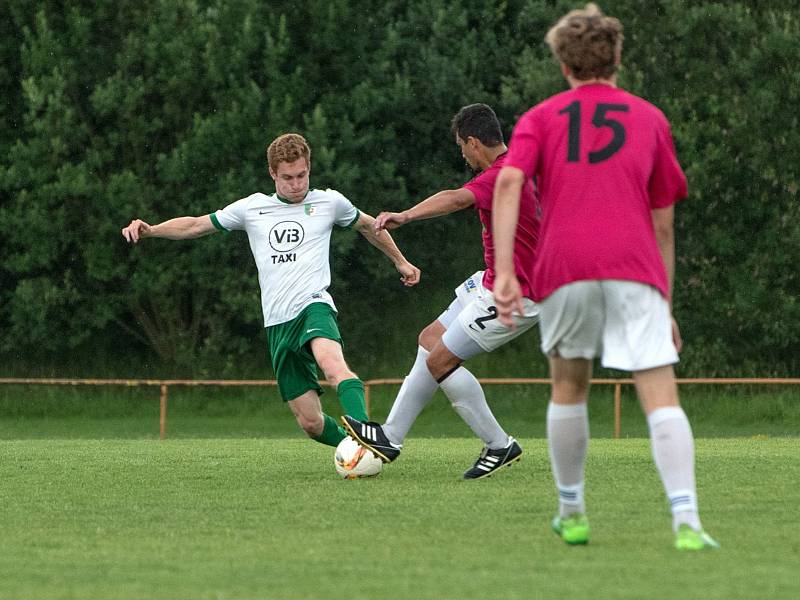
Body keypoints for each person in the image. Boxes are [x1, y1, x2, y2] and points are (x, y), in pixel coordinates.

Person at [492, 4, 718, 550]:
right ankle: (686, 522)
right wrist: (664, 302)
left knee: (569, 386)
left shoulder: (541, 118)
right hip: (634, 265)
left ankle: (572, 513)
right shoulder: (649, 117)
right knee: (659, 392)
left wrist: (504, 272)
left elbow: (507, 184)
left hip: (563, 267)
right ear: (617, 58)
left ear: (564, 66)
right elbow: (663, 221)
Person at [122, 133, 420, 448]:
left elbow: (368, 226)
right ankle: (356, 447)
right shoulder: (252, 208)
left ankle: (367, 431)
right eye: (288, 177)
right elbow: (196, 225)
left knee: (332, 365)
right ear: (272, 174)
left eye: (302, 175)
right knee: (311, 423)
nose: (296, 184)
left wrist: (400, 261)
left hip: (313, 305)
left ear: (309, 168)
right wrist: (152, 230)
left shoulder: (330, 202)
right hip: (277, 322)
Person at [341, 103, 540, 479]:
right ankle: (390, 436)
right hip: (491, 281)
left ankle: (499, 445)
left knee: (439, 362)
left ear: (473, 142)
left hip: (514, 294)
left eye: (461, 147)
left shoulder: (500, 175)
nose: (462, 155)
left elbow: (455, 197)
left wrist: (406, 215)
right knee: (430, 338)